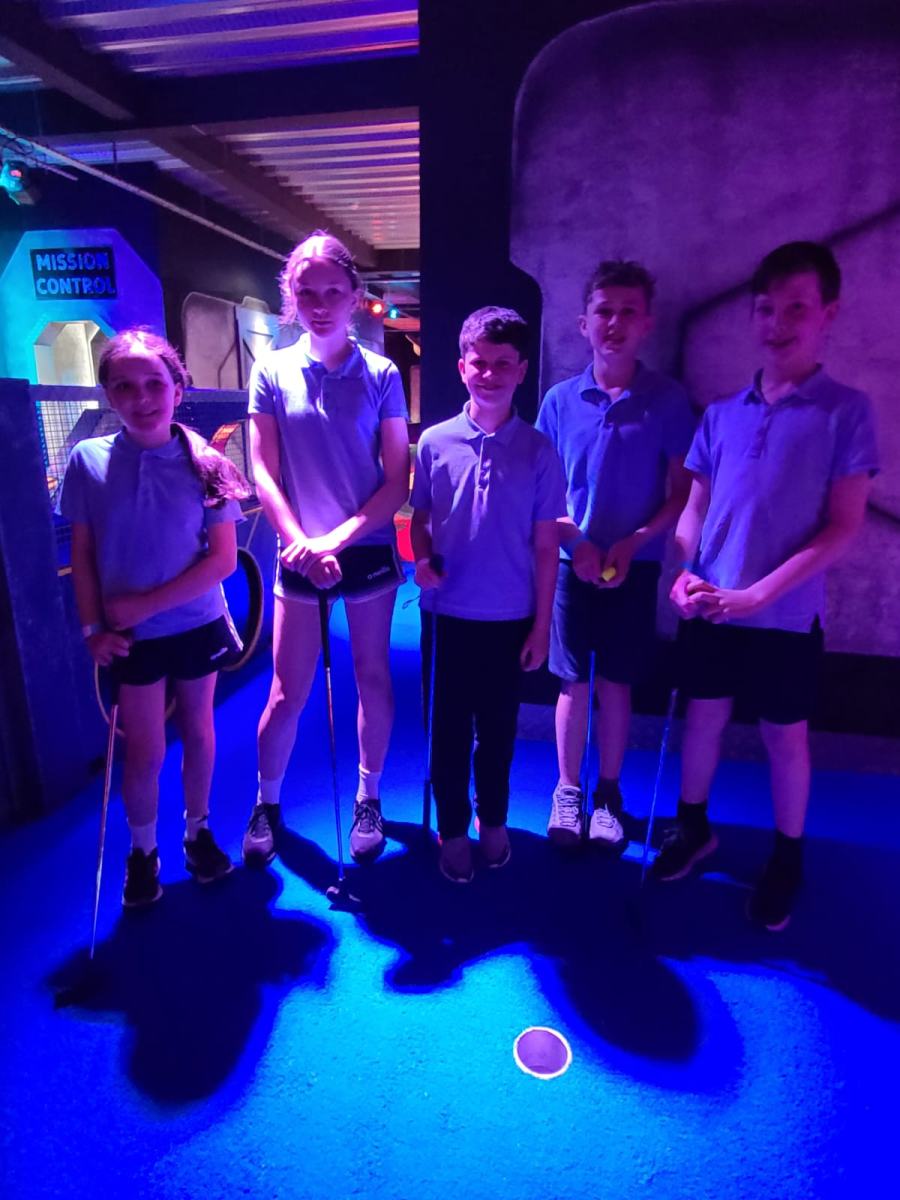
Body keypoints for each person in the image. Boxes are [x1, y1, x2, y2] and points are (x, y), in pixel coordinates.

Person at [658, 241, 879, 931]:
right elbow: (695, 507)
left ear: (827, 314)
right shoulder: (723, 413)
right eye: (765, 309)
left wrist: (758, 596)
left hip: (784, 619)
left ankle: (788, 858)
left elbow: (843, 526)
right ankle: (694, 828)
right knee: (702, 719)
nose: (778, 323)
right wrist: (682, 572)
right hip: (710, 608)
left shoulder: (846, 411)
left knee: (786, 738)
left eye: (796, 308)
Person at [59, 329, 248, 907]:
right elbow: (83, 554)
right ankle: (142, 851)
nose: (142, 398)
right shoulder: (88, 461)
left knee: (199, 729)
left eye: (154, 384)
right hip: (129, 639)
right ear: (108, 395)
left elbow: (222, 561)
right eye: (124, 387)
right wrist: (93, 629)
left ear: (177, 388)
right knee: (143, 749)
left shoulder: (208, 462)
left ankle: (197, 833)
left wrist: (143, 606)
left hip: (194, 625)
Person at [241, 231, 409, 868]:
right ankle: (267, 802)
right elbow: (262, 470)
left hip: (363, 547)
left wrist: (333, 540)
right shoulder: (271, 370)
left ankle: (369, 796)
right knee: (287, 692)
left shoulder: (382, 374)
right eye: (306, 292)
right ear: (291, 295)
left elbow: (396, 479)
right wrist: (300, 543)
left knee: (371, 677)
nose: (319, 304)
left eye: (332, 292)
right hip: (298, 551)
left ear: (354, 295)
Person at [536, 261, 695, 849]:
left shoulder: (668, 400)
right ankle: (567, 791)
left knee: (617, 683)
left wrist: (633, 543)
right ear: (584, 322)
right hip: (569, 565)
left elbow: (680, 492)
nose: (615, 322)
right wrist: (575, 544)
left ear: (647, 323)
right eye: (604, 311)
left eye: (629, 312)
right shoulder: (559, 400)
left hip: (637, 566)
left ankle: (607, 794)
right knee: (572, 682)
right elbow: (545, 493)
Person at [410, 306, 567, 883]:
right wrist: (422, 559)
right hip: (447, 614)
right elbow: (420, 519)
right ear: (461, 367)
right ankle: (453, 827)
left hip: (510, 616)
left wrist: (541, 625)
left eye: (503, 364)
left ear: (522, 370)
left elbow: (547, 546)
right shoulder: (434, 442)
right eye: (479, 363)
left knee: (498, 730)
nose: (490, 374)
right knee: (447, 729)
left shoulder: (539, 451)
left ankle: (493, 817)